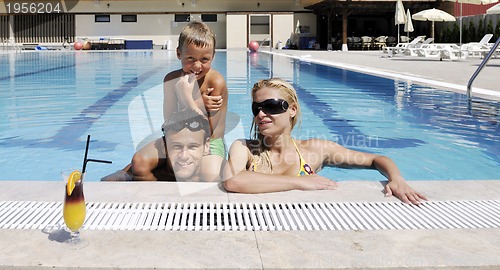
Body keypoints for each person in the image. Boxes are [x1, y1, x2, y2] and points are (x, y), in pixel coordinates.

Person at [222, 78, 427, 205]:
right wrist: (300, 182)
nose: (261, 114)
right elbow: (234, 181)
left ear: (292, 109)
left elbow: (376, 159)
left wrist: (396, 179)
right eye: (256, 108)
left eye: (271, 106)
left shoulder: (315, 150)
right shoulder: (245, 148)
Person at [129, 21, 228, 181]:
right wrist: (199, 105)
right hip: (176, 137)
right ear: (178, 54)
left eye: (204, 59)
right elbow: (168, 122)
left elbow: (208, 131)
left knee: (210, 175)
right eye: (190, 58)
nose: (197, 65)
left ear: (213, 56)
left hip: (209, 142)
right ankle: (159, 200)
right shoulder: (171, 79)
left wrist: (187, 99)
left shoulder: (215, 82)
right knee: (139, 164)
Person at [102, 110, 211, 182]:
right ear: (164, 146)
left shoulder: (212, 172)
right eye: (177, 147)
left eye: (192, 147)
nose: (184, 156)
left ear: (206, 147)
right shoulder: (153, 171)